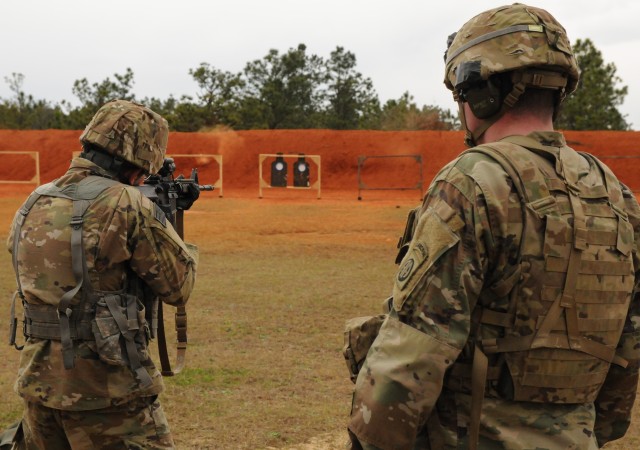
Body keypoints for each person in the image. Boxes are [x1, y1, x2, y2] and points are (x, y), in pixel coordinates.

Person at [346, 4, 640, 449]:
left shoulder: (471, 183)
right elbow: (627, 352)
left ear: (480, 91)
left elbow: (411, 356)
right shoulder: (617, 194)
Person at [6, 99, 197, 449]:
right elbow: (178, 286)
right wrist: (165, 221)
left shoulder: (33, 200)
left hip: (40, 388)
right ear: (140, 160)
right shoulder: (128, 205)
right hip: (108, 394)